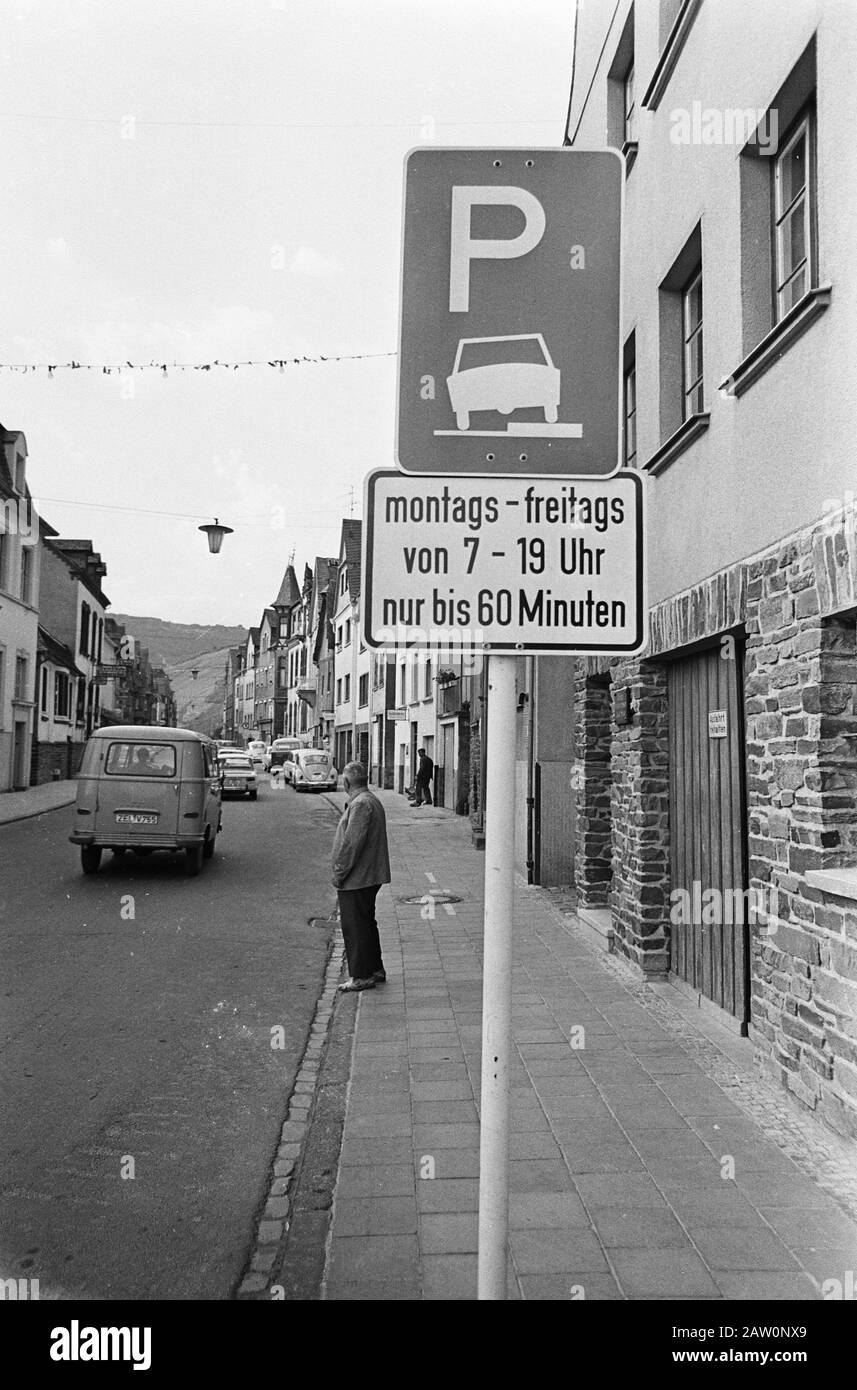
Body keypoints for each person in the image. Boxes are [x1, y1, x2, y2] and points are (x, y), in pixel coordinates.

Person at [331, 762, 390, 993]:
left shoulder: (361, 804)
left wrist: (339, 872)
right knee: (366, 923)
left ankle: (362, 975)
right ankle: (375, 969)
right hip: (367, 875)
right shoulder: (369, 800)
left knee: (355, 926)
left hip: (358, 877)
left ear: (346, 783)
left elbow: (351, 844)